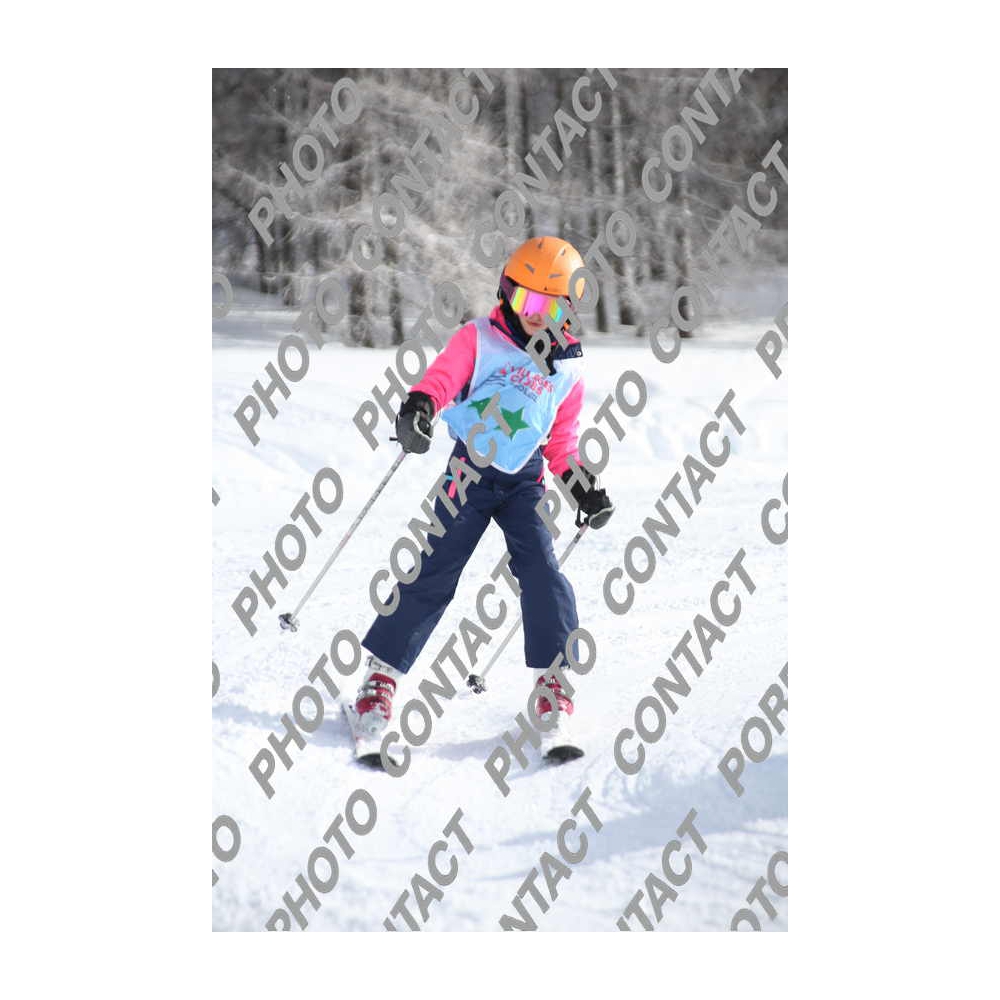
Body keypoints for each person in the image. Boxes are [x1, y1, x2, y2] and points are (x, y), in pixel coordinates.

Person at [353, 236, 613, 739]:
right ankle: (381, 676)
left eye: (550, 306)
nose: (536, 315)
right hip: (469, 472)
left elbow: (561, 443)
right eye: (525, 300)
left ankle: (552, 681)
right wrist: (419, 409)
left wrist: (582, 488)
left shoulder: (569, 370)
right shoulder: (478, 339)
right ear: (506, 292)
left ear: (568, 309)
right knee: (434, 568)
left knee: (542, 572)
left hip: (525, 482)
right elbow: (440, 381)